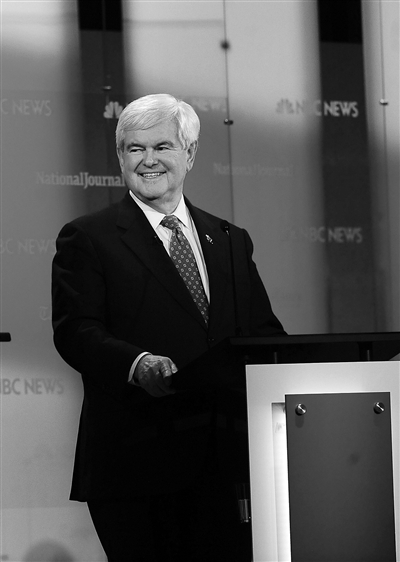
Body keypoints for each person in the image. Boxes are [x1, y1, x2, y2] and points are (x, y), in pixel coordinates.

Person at [52, 93, 285, 561]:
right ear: (120, 157)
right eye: (135, 149)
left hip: (227, 465)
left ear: (190, 154)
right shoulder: (89, 237)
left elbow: (263, 335)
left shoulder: (229, 239)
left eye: (162, 146)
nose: (149, 160)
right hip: (137, 464)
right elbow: (77, 331)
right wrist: (137, 364)